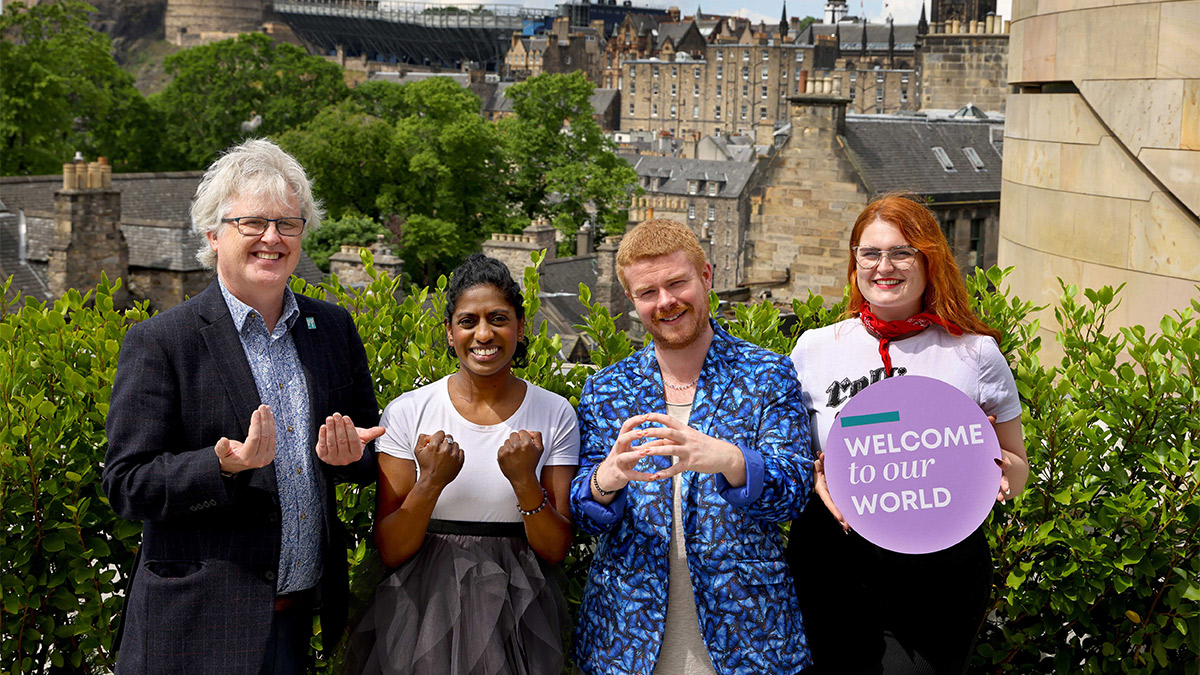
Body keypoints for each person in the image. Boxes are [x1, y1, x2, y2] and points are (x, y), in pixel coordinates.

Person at [102, 139, 383, 675]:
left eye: (288, 223)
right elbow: (127, 484)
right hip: (194, 629)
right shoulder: (163, 342)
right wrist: (221, 465)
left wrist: (351, 458)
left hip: (298, 620)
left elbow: (370, 451)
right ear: (213, 234)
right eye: (252, 223)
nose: (272, 238)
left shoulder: (332, 330)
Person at [786, 194, 1030, 674]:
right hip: (835, 559)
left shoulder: (975, 354)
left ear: (929, 258)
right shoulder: (815, 349)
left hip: (939, 567)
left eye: (902, 252)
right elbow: (795, 457)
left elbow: (1017, 468)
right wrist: (814, 473)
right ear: (854, 263)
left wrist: (996, 474)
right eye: (870, 253)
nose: (885, 266)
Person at [571, 219, 815, 675]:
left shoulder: (767, 374)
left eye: (677, 283)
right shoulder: (606, 388)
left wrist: (732, 460)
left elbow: (797, 492)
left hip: (749, 636)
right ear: (632, 299)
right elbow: (583, 517)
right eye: (648, 292)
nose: (665, 302)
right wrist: (607, 479)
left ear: (706, 276)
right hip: (626, 641)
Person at [344, 253, 578, 675]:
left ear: (521, 328)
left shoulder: (554, 412)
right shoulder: (407, 411)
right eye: (468, 321)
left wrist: (526, 481)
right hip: (422, 611)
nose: (483, 333)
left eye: (499, 319)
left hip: (520, 609)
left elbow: (555, 547)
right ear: (450, 333)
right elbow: (392, 549)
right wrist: (430, 482)